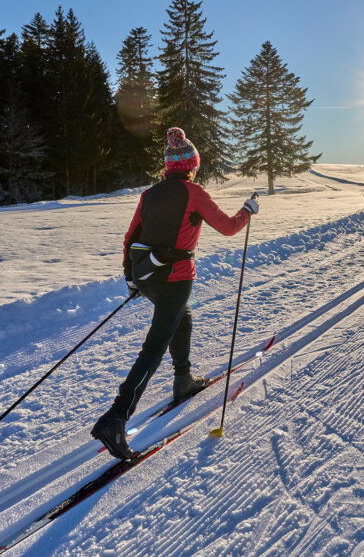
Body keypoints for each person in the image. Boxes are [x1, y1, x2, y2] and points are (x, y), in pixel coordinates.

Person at [91, 127, 259, 459]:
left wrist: (131, 278)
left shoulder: (149, 194)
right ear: (192, 165)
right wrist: (248, 211)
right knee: (155, 345)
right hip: (176, 277)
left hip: (147, 274)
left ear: (168, 167)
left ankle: (183, 379)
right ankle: (116, 418)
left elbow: (130, 237)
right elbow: (228, 227)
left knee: (182, 318)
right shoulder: (194, 192)